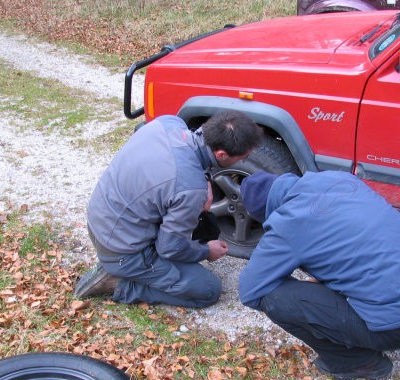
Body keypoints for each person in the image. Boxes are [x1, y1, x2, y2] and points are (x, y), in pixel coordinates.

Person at [238, 171, 400, 380]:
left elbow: (250, 291)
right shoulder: (338, 178)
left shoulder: (287, 222)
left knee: (275, 298)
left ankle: (354, 362)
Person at [75, 110, 263, 307]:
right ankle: (118, 284)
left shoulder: (168, 124)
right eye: (242, 157)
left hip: (99, 224)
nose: (242, 161)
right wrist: (205, 251)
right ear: (222, 155)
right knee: (208, 289)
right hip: (122, 253)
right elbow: (170, 248)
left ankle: (122, 267)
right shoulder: (190, 188)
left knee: (195, 222)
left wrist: (204, 178)